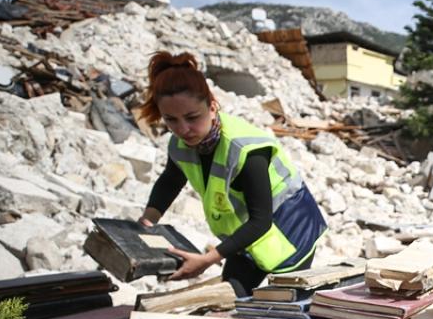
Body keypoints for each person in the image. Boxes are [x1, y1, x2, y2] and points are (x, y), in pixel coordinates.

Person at [137, 51, 328, 296]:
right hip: (246, 235)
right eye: (171, 120)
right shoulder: (181, 145)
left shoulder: (244, 149)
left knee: (283, 312)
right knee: (230, 299)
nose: (183, 129)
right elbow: (171, 180)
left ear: (212, 106)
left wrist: (208, 259)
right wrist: (148, 222)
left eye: (192, 117)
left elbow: (261, 221)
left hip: (290, 229)